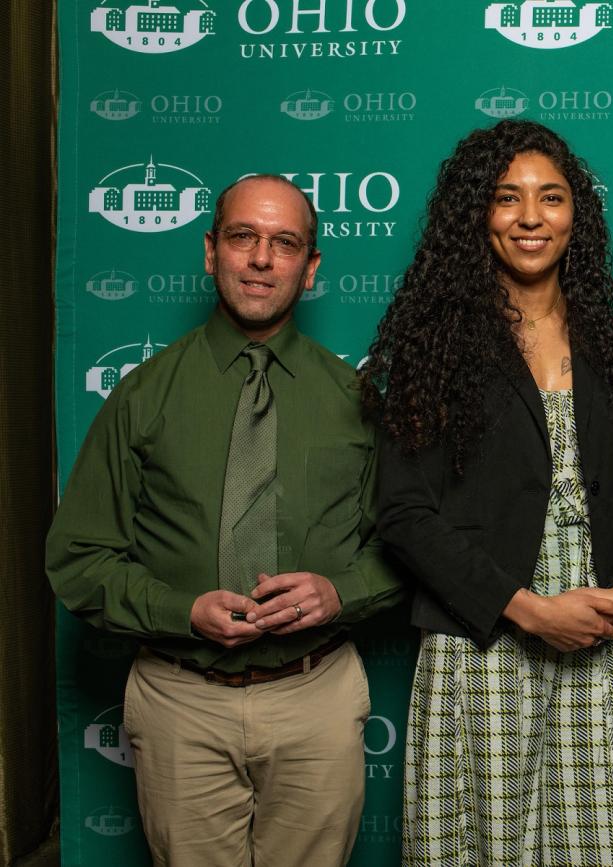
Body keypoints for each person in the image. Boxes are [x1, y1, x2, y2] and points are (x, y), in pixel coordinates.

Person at [46, 174, 404, 866]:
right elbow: (79, 557)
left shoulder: (355, 401)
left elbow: (406, 546)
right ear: (211, 251)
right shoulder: (143, 395)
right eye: (243, 237)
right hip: (182, 700)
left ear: (312, 265)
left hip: (316, 696)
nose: (262, 259)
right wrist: (180, 610)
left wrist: (341, 592)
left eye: (284, 242)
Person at [364, 119, 613, 866]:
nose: (531, 217)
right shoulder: (436, 346)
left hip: (598, 643)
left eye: (552, 197)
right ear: (477, 215)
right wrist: (526, 607)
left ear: (577, 215)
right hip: (487, 640)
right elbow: (402, 513)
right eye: (508, 198)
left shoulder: (612, 342)